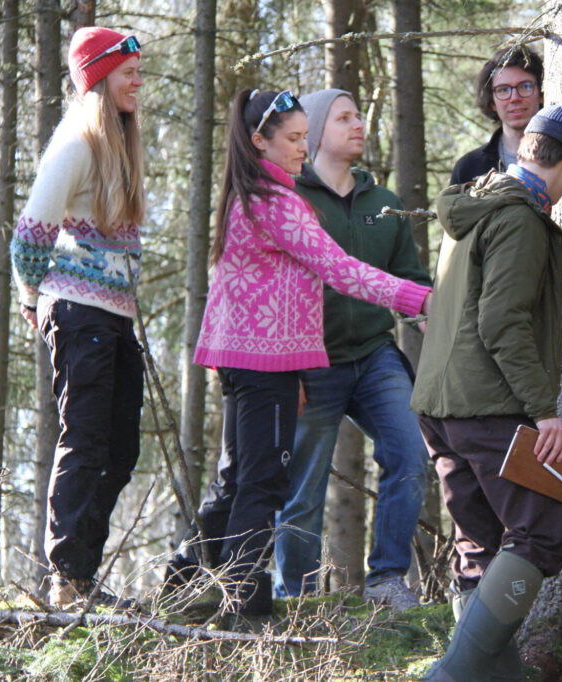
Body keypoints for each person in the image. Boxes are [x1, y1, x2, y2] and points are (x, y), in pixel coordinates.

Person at [164, 89, 431, 617]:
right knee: (264, 482)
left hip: (246, 358)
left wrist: (219, 352)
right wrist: (419, 298)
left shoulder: (247, 195)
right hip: (268, 363)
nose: (302, 149)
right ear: (258, 141)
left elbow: (231, 288)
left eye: (304, 137)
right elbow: (340, 269)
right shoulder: (277, 202)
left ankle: (186, 583)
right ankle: (246, 600)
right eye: (292, 138)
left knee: (236, 478)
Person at [413, 105, 562, 681]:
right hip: (487, 404)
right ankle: (449, 676)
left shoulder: (478, 200)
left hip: (441, 405)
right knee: (541, 536)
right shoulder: (519, 218)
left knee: (481, 545)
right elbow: (501, 321)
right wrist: (544, 411)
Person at [272, 89, 432, 609]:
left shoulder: (385, 204)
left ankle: (386, 580)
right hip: (309, 361)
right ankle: (294, 598)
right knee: (303, 490)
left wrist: (434, 318)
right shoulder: (290, 198)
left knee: (409, 454)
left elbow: (410, 281)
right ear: (315, 132)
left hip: (374, 354)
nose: (357, 124)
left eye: (359, 115)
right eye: (344, 118)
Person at [10, 27, 145, 609]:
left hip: (114, 316)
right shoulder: (77, 144)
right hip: (76, 311)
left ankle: (84, 573)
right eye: (127, 72)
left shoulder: (123, 146)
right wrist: (31, 297)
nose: (138, 81)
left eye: (139, 71)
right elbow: (30, 232)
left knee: (121, 447)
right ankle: (66, 581)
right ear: (99, 79)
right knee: (86, 441)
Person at [450, 46, 544, 185]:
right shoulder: (468, 168)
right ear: (492, 101)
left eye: (525, 86)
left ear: (541, 94)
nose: (514, 98)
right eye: (503, 90)